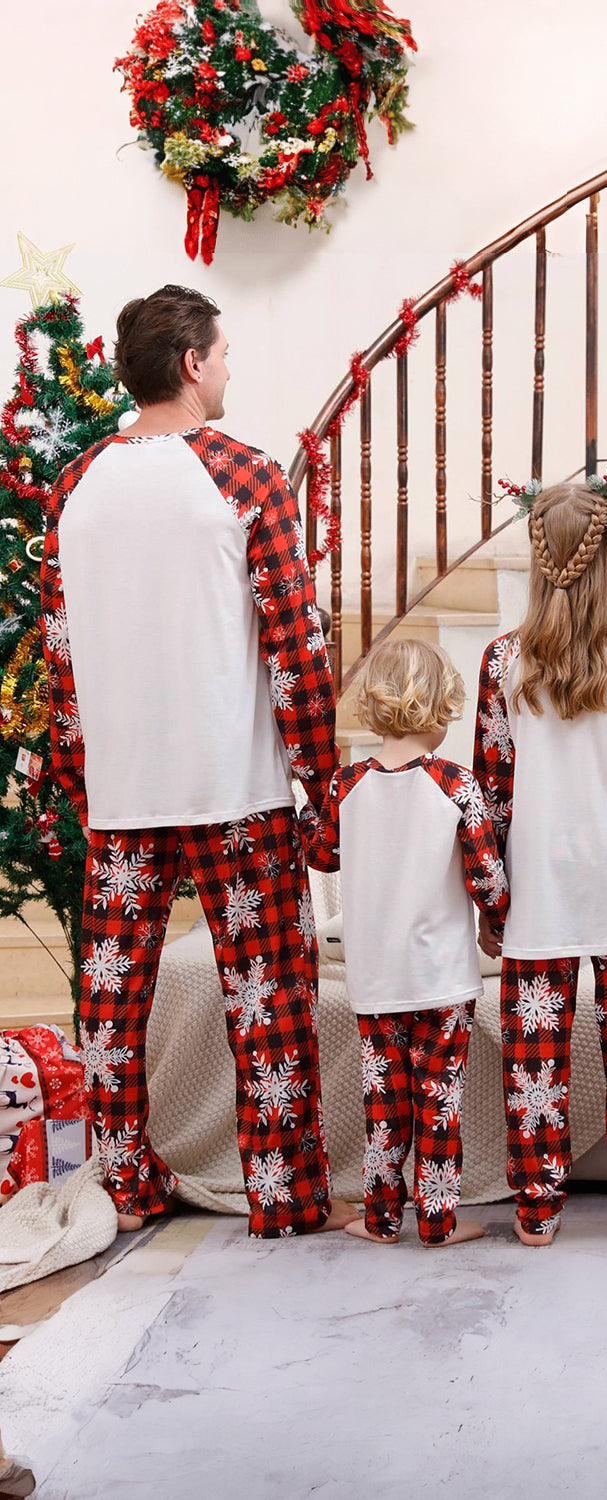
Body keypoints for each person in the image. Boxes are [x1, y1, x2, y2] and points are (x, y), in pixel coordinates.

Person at [40, 284, 354, 1238]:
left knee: (112, 1004)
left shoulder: (75, 488)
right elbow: (297, 646)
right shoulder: (244, 476)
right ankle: (285, 1195)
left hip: (123, 791)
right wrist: (320, 783)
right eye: (221, 355)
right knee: (268, 1001)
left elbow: (60, 658)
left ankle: (126, 1187)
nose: (226, 370)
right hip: (234, 788)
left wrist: (81, 782)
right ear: (191, 363)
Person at [474, 477, 607, 1246]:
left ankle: (536, 1214)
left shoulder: (500, 663)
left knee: (533, 1063)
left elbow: (490, 799)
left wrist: (491, 901)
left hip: (538, 888)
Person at [301, 638, 509, 1246]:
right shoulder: (456, 784)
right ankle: (439, 1223)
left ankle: (382, 1220)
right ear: (440, 708)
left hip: (375, 978)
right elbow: (488, 878)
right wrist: (497, 923)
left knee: (384, 1106)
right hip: (442, 978)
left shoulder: (345, 786)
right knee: (439, 1102)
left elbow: (322, 855)